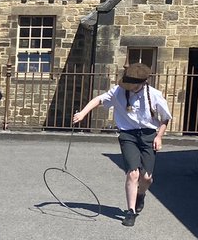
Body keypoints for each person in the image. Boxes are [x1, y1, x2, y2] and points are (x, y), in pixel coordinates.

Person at [72, 62, 172, 226]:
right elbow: (99, 99)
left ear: (141, 83)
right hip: (128, 135)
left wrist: (159, 136)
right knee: (133, 173)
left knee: (147, 178)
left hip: (148, 135)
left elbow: (165, 118)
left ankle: (141, 194)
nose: (127, 86)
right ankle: (130, 211)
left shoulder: (154, 95)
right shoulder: (119, 91)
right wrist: (82, 113)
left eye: (131, 84)